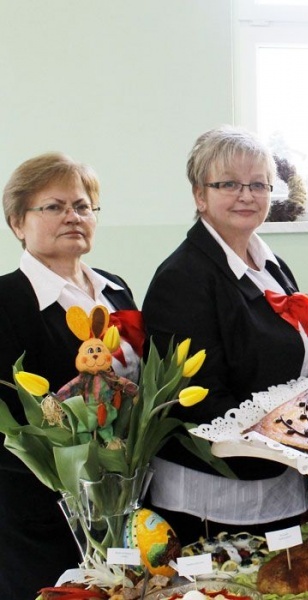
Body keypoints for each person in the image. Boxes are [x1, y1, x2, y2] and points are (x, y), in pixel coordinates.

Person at [142, 126, 308, 542]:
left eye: (258, 184)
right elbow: (200, 400)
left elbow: (300, 341)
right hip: (217, 494)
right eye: (229, 184)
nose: (246, 195)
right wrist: (299, 434)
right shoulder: (184, 278)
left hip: (277, 476)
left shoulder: (268, 262)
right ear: (199, 195)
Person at [0, 153, 141, 598]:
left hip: (125, 501)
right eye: (54, 207)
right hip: (42, 515)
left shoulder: (115, 288)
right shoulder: (6, 301)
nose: (72, 217)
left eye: (82, 207)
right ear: (17, 222)